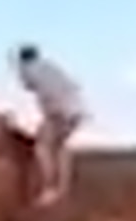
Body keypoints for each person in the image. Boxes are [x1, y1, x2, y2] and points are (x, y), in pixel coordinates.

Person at [11, 44, 86, 205]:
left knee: (42, 147)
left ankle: (50, 188)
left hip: (60, 112)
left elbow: (28, 85)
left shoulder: (30, 68)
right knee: (60, 147)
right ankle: (63, 187)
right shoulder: (49, 66)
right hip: (77, 109)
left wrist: (17, 69)